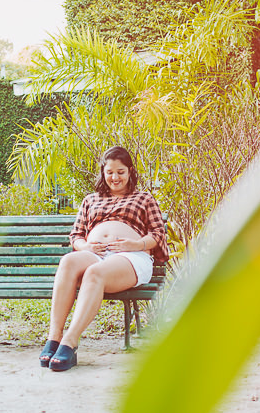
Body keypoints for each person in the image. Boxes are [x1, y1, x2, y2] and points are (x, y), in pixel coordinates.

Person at [40, 146, 168, 372]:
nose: (115, 177)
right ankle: (54, 336)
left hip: (131, 257)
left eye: (120, 172)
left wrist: (136, 244)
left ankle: (70, 341)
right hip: (95, 254)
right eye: (110, 172)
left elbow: (158, 234)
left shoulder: (144, 198)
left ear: (130, 171)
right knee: (68, 261)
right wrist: (86, 246)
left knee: (94, 273)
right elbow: (76, 236)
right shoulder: (91, 200)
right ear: (103, 172)